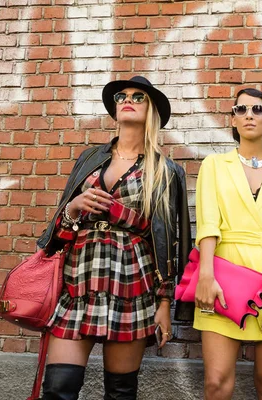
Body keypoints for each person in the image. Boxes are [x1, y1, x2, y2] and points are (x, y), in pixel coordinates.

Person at [36, 76, 191, 400]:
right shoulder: (90, 159)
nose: (127, 100)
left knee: (120, 393)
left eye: (138, 96)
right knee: (57, 389)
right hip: (79, 281)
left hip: (132, 284)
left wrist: (165, 302)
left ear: (151, 110)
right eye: (121, 96)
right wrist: (75, 208)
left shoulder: (165, 170)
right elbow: (58, 236)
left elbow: (169, 242)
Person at [193, 88, 262, 400]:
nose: (249, 115)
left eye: (258, 109)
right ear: (233, 119)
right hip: (223, 279)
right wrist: (205, 275)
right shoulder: (214, 165)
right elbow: (208, 223)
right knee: (216, 383)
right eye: (241, 109)